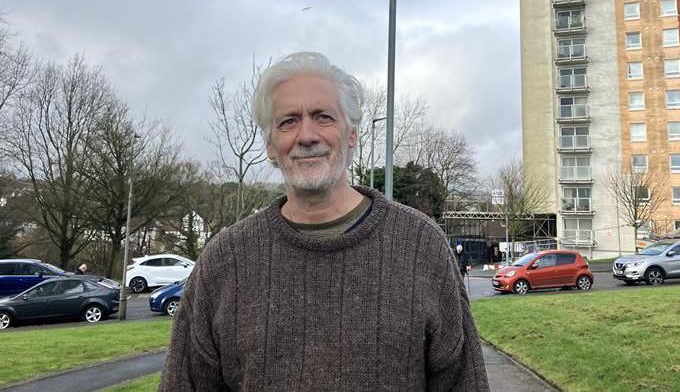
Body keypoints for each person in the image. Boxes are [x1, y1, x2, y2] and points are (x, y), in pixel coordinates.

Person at [159, 52, 488, 391]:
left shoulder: (421, 246)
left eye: (323, 117)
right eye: (288, 121)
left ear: (351, 136)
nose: (307, 135)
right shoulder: (225, 262)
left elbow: (463, 381)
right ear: (270, 146)